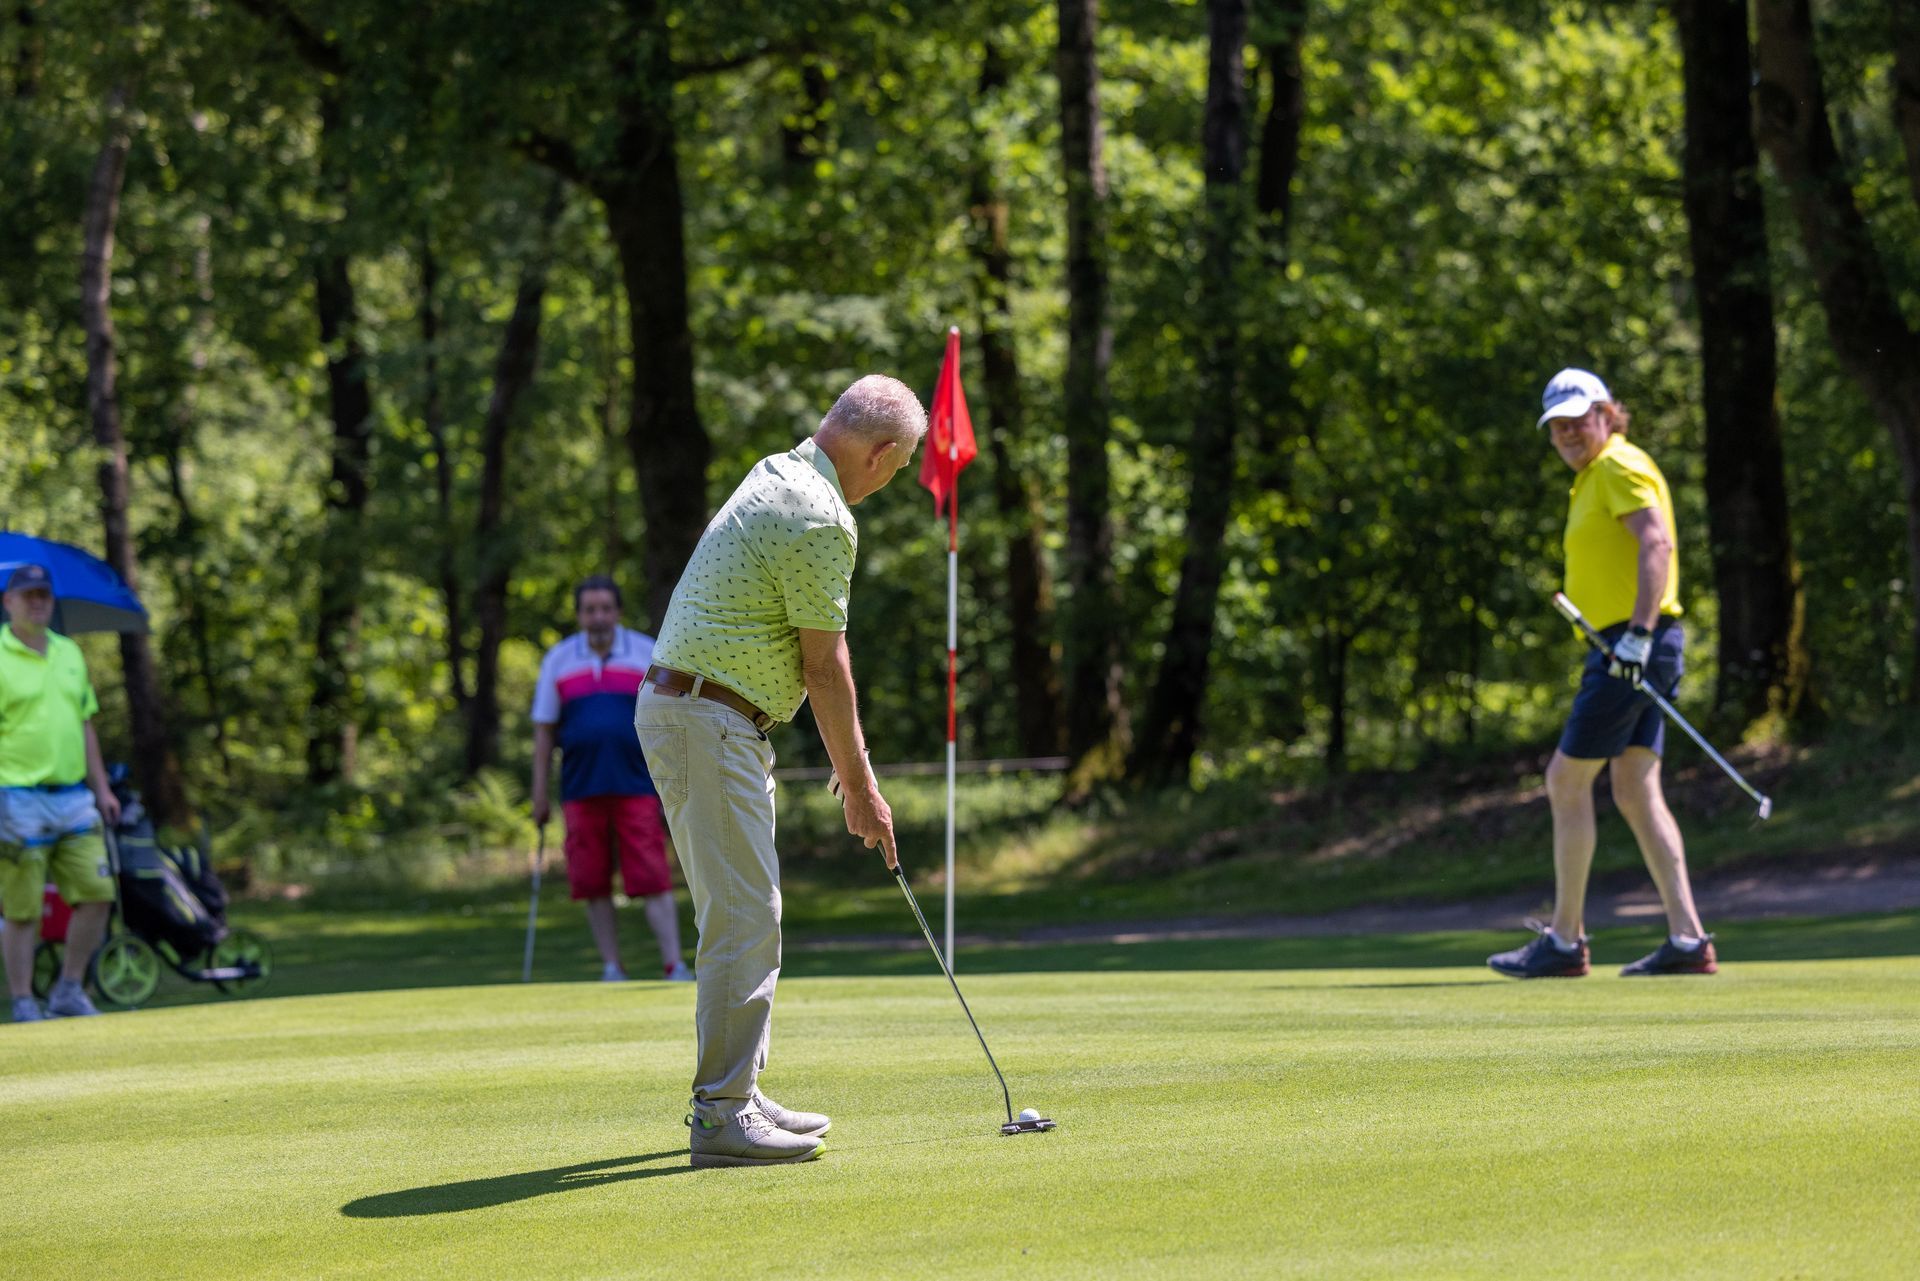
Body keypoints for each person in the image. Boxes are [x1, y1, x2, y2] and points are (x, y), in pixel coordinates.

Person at [635, 374, 925, 1168]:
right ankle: (722, 1112)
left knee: (747, 911)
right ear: (880, 452)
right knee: (743, 915)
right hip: (708, 716)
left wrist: (848, 761)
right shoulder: (821, 512)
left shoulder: (781, 470)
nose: (890, 481)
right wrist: (861, 788)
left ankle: (740, 1091)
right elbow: (823, 666)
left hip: (707, 712)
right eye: (898, 468)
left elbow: (812, 650)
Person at [1489, 368, 1716, 980]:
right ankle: (1688, 939)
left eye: (1578, 420)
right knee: (1635, 788)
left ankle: (1564, 942)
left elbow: (1656, 544)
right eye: (1557, 426)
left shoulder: (1616, 465)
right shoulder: (1596, 474)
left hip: (1630, 643)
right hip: (1636, 643)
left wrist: (1638, 635)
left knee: (1565, 781)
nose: (1567, 433)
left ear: (1606, 415)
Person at [531, 576, 691, 983]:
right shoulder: (558, 660)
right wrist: (539, 793)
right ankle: (611, 967)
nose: (598, 617)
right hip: (580, 787)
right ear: (579, 615)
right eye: (590, 610)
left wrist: (675, 777)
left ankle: (673, 964)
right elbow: (544, 730)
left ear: (617, 612)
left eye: (605, 608)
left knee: (652, 875)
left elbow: (671, 720)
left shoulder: (645, 651)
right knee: (591, 880)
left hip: (638, 783)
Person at [0, 563, 122, 1022]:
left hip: (74, 798)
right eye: (28, 595)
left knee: (98, 893)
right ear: (8, 602)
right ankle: (23, 1002)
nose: (38, 602)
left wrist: (102, 788)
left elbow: (84, 724)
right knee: (22, 908)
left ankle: (68, 989)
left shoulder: (70, 652)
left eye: (44, 595)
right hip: (16, 798)